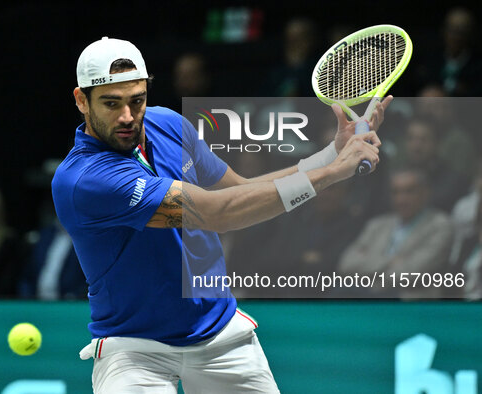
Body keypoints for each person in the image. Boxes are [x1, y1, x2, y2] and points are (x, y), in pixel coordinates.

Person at [51, 37, 389, 393]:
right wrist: (334, 174)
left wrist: (330, 156)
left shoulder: (167, 124)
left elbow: (238, 190)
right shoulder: (86, 180)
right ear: (81, 100)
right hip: (135, 350)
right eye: (111, 103)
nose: (127, 116)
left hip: (220, 334)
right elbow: (219, 213)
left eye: (137, 100)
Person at [338, 169, 453, 298]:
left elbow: (411, 274)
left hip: (407, 299)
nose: (401, 199)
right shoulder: (378, 224)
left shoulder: (440, 225)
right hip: (364, 293)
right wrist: (391, 261)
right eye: (395, 192)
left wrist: (369, 266)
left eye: (409, 192)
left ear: (425, 193)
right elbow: (346, 263)